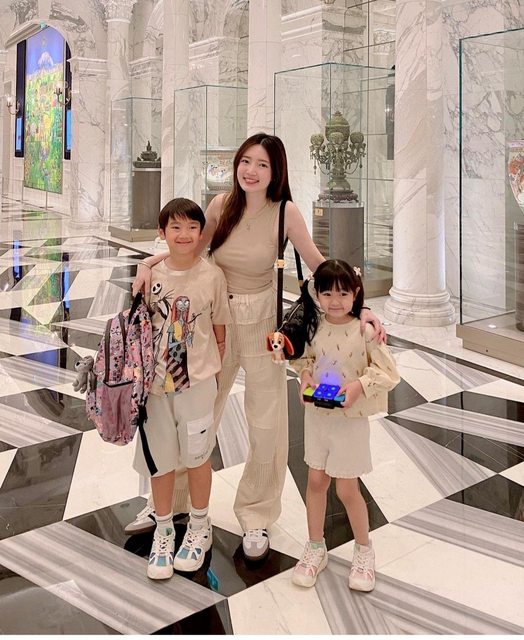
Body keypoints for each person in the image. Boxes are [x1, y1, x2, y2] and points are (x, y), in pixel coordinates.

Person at [131, 133, 385, 560]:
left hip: (264, 323)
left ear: (275, 171)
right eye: (246, 161)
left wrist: (362, 307)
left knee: (266, 421)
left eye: (262, 164)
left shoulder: (285, 212)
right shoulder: (220, 206)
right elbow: (189, 251)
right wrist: (147, 263)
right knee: (197, 412)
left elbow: (319, 264)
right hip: (213, 321)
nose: (251, 171)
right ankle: (171, 503)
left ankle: (256, 514)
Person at [134, 197, 231, 580]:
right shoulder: (151, 276)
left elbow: (220, 331)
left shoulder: (212, 276)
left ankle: (200, 525)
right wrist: (145, 265)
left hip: (197, 384)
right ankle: (163, 530)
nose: (184, 234)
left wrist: (213, 374)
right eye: (175, 227)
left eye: (192, 227)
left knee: (197, 457)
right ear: (162, 232)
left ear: (202, 232)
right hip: (155, 388)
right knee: (160, 461)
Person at [290, 259, 399, 591]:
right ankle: (315, 545)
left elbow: (387, 372)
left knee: (347, 489)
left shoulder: (365, 331)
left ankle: (364, 550)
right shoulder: (314, 326)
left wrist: (358, 387)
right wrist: (305, 377)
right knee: (316, 481)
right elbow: (304, 359)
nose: (335, 301)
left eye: (342, 293)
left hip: (349, 422)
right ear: (317, 295)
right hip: (318, 418)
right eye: (327, 294)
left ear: (356, 293)